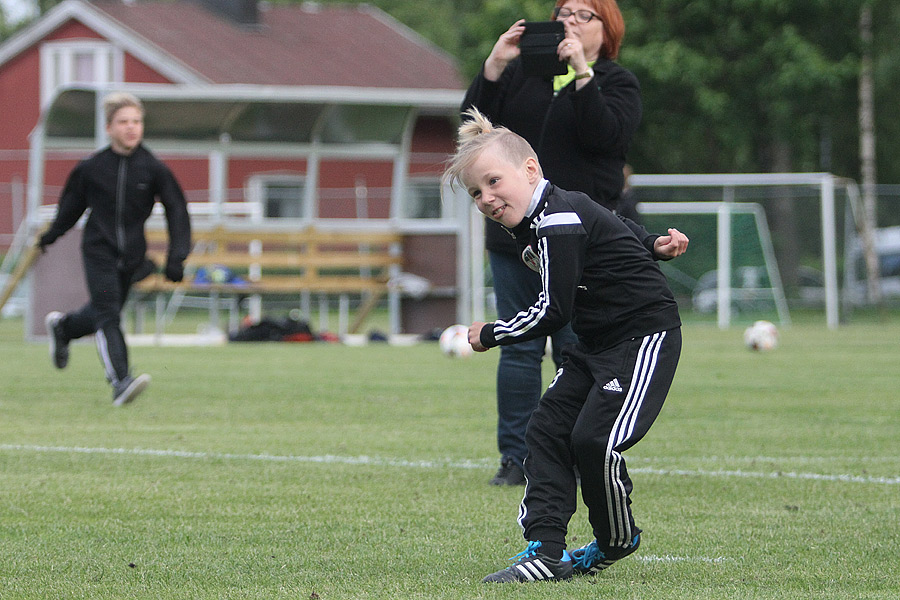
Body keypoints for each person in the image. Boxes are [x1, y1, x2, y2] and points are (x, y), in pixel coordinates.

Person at [443, 108, 688, 582]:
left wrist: (492, 332)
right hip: (596, 344)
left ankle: (617, 540)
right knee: (547, 430)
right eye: (476, 192)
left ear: (530, 168)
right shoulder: (547, 213)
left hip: (642, 336)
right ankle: (545, 550)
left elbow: (555, 311)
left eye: (494, 182)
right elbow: (612, 224)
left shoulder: (555, 218)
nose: (487, 199)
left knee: (594, 440)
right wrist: (651, 241)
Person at [461, 0, 643, 485]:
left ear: (608, 29)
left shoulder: (615, 82)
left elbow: (605, 137)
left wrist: (582, 73)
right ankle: (516, 459)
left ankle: (579, 453)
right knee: (520, 349)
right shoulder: (523, 78)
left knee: (577, 348)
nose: (568, 19)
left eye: (584, 14)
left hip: (580, 241)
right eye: (562, 11)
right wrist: (495, 68)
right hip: (515, 240)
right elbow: (474, 140)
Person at [39, 92, 191, 406]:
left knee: (101, 313)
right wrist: (52, 234)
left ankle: (64, 328)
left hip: (132, 256)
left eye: (136, 122)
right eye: (124, 122)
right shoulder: (91, 168)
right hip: (98, 250)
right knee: (108, 315)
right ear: (109, 127)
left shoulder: (154, 169)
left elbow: (177, 210)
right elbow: (71, 208)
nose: (131, 128)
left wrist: (177, 256)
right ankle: (121, 381)